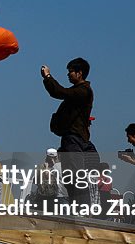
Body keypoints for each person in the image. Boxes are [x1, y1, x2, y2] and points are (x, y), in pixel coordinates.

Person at [41, 57, 97, 204]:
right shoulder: (79, 91)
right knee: (69, 175)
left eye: (71, 71)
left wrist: (48, 77)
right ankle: (78, 207)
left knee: (75, 174)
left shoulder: (83, 91)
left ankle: (83, 209)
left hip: (74, 138)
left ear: (80, 73)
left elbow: (59, 92)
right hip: (70, 137)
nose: (68, 74)